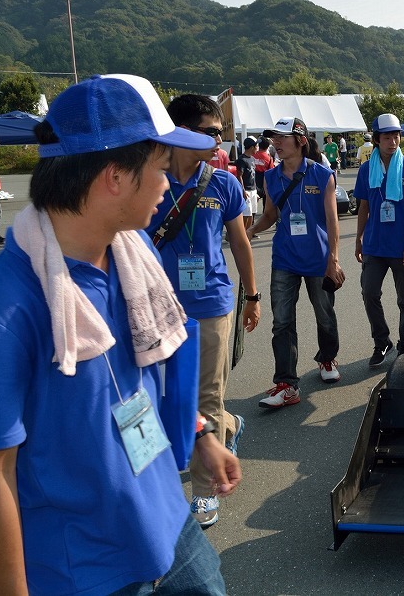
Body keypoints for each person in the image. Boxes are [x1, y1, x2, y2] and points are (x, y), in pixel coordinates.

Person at [0, 74, 240, 594]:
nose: (167, 183)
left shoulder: (135, 254)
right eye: (160, 167)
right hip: (86, 568)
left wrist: (200, 434)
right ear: (114, 177)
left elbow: (146, 373)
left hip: (169, 524)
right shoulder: (12, 306)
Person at [144, 94, 260, 528]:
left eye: (220, 132)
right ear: (181, 132)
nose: (219, 140)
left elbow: (240, 243)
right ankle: (227, 426)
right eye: (211, 132)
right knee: (165, 395)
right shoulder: (149, 181)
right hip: (158, 307)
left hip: (211, 304)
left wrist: (252, 296)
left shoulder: (224, 183)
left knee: (205, 396)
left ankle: (203, 491)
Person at [247, 117, 346, 408]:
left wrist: (333, 260)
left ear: (301, 140)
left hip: (318, 258)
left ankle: (327, 358)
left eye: (283, 137)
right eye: (274, 138)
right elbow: (270, 215)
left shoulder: (322, 174)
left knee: (324, 314)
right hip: (285, 258)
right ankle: (286, 384)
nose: (276, 143)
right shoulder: (271, 177)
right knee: (282, 321)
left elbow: (332, 221)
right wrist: (251, 230)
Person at [355, 114, 404, 367]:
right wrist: (358, 238)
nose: (393, 142)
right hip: (374, 245)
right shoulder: (366, 169)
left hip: (401, 246)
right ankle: (382, 341)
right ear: (376, 140)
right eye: (387, 137)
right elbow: (363, 206)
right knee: (369, 292)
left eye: (396, 136)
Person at [235, 138, 260, 227]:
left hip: (253, 190)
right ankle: (243, 232)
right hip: (246, 190)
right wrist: (243, 191)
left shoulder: (252, 159)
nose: (257, 148)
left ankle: (248, 232)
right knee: (246, 214)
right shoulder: (242, 159)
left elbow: (253, 175)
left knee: (252, 213)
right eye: (256, 146)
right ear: (252, 147)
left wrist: (256, 190)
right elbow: (239, 176)